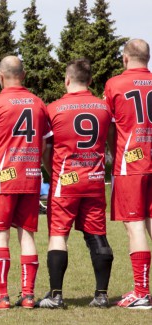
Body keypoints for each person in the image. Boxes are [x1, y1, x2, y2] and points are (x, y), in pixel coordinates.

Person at [0, 56, 51, 309]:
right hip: (30, 178)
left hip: (4, 180)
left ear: (0, 76)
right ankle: (28, 296)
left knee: (0, 235)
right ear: (24, 75)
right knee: (26, 234)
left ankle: (2, 297)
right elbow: (45, 143)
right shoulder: (39, 104)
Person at [37, 59, 113, 309]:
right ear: (90, 81)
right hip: (94, 181)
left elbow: (46, 149)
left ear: (67, 79)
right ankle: (101, 295)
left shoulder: (54, 109)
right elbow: (110, 145)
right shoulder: (104, 108)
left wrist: (54, 172)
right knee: (97, 235)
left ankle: (56, 295)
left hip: (65, 182)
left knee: (58, 235)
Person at [104, 39, 152, 309]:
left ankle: (142, 292)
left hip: (131, 164)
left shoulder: (115, 84)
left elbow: (110, 129)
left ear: (125, 59)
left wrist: (116, 154)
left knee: (135, 225)